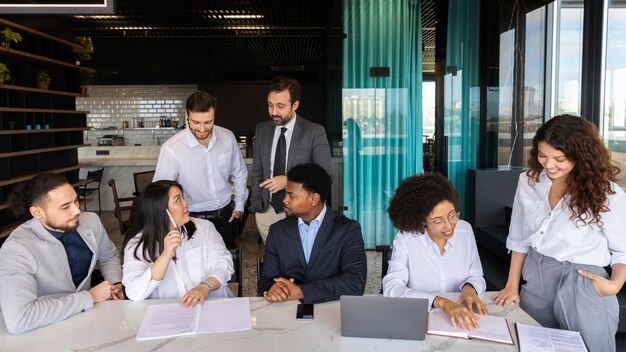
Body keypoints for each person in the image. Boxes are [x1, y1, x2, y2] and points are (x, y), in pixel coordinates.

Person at [492, 114, 626, 352]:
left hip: (583, 280)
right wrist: (512, 285)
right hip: (537, 276)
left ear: (581, 155)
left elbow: (623, 249)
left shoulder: (607, 193)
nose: (549, 164)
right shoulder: (529, 181)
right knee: (533, 345)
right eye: (542, 155)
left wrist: (615, 284)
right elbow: (519, 237)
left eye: (559, 158)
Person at [0, 173, 123, 334]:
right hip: (44, 329)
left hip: (90, 320)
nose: (77, 210)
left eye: (76, 200)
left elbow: (108, 256)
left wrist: (115, 283)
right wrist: (89, 297)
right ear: (37, 212)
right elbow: (20, 318)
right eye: (65, 207)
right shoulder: (17, 249)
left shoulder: (91, 221)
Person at [382, 173, 487, 331]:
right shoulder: (405, 239)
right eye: (438, 221)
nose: (449, 225)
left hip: (462, 318)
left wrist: (469, 290)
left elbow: (476, 275)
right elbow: (392, 288)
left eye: (452, 215)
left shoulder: (465, 230)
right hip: (420, 319)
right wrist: (441, 302)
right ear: (422, 220)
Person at [258, 163, 367, 304]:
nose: (285, 200)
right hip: (287, 311)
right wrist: (273, 288)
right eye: (286, 194)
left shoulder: (347, 229)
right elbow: (266, 280)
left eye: (292, 196)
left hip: (332, 310)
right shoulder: (277, 231)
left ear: (314, 199)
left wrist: (302, 292)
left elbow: (355, 282)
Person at [153, 91, 248, 249]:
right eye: (196, 122)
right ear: (186, 115)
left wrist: (239, 206)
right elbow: (160, 192)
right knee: (197, 269)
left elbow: (239, 172)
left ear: (214, 115)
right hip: (192, 220)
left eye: (208, 122)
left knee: (227, 265)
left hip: (226, 217)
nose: (202, 129)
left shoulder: (227, 137)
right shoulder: (172, 149)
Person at [250, 76, 333, 243]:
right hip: (267, 212)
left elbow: (326, 175)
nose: (274, 112)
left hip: (302, 214)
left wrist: (288, 180)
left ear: (295, 105)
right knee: (275, 261)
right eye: (270, 105)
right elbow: (257, 171)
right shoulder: (262, 129)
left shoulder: (314, 131)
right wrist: (257, 206)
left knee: (301, 263)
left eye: (280, 106)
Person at [123, 180, 234, 305]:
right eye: (178, 200)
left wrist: (204, 287)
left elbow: (223, 263)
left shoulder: (204, 228)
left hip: (211, 305)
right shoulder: (137, 244)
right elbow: (134, 292)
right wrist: (165, 255)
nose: (186, 203)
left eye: (183, 197)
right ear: (160, 210)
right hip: (167, 314)